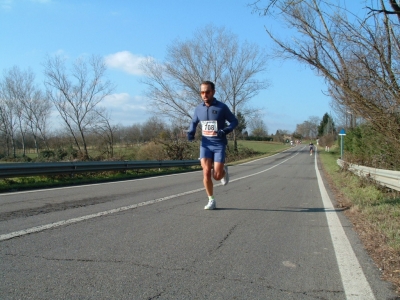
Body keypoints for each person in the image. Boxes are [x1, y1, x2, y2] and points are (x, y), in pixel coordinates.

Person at [187, 81, 238, 210]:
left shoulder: (222, 107)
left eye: (207, 92)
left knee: (216, 176)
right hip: (206, 144)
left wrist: (225, 130)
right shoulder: (199, 108)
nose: (205, 95)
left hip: (219, 144)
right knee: (205, 172)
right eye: (202, 92)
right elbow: (194, 122)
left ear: (213, 92)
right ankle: (211, 200)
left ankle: (223, 171)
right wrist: (191, 132)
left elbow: (234, 121)